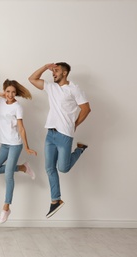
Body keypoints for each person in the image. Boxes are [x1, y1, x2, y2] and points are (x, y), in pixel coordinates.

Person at [28, 62, 91, 218]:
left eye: (56, 71)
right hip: (50, 133)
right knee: (49, 168)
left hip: (64, 134)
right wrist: (44, 67)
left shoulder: (74, 89)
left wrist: (74, 124)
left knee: (63, 168)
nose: (53, 73)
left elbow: (86, 108)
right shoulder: (51, 87)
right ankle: (56, 200)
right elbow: (32, 79)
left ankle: (80, 149)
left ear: (65, 73)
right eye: (53, 71)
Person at [0, 79, 37, 224]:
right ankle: (22, 167)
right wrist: (0, 94)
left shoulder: (18, 107)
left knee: (8, 175)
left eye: (13, 92)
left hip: (15, 144)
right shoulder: (1, 101)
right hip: (4, 144)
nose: (10, 94)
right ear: (4, 91)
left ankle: (6, 208)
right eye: (8, 91)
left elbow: (21, 128)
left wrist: (26, 146)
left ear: (16, 93)